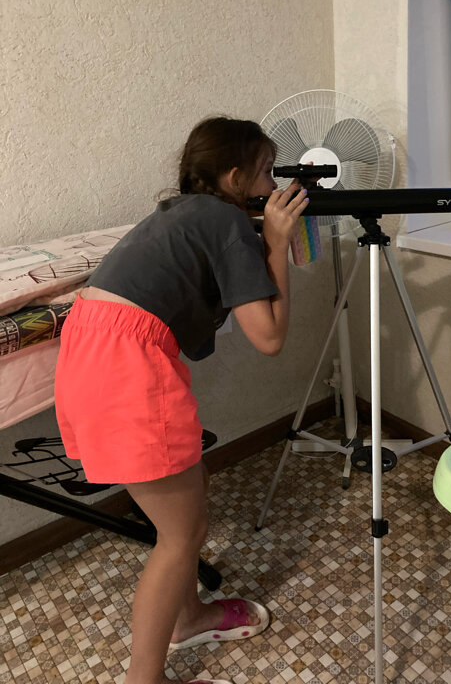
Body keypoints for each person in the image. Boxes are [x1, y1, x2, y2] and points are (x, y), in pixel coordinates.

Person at [54, 116, 309, 684]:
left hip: (90, 350)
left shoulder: (178, 213)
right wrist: (275, 244)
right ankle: (145, 678)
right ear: (235, 177)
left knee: (190, 493)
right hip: (125, 367)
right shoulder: (226, 219)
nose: (274, 185)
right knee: (180, 536)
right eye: (267, 172)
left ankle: (189, 615)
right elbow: (269, 337)